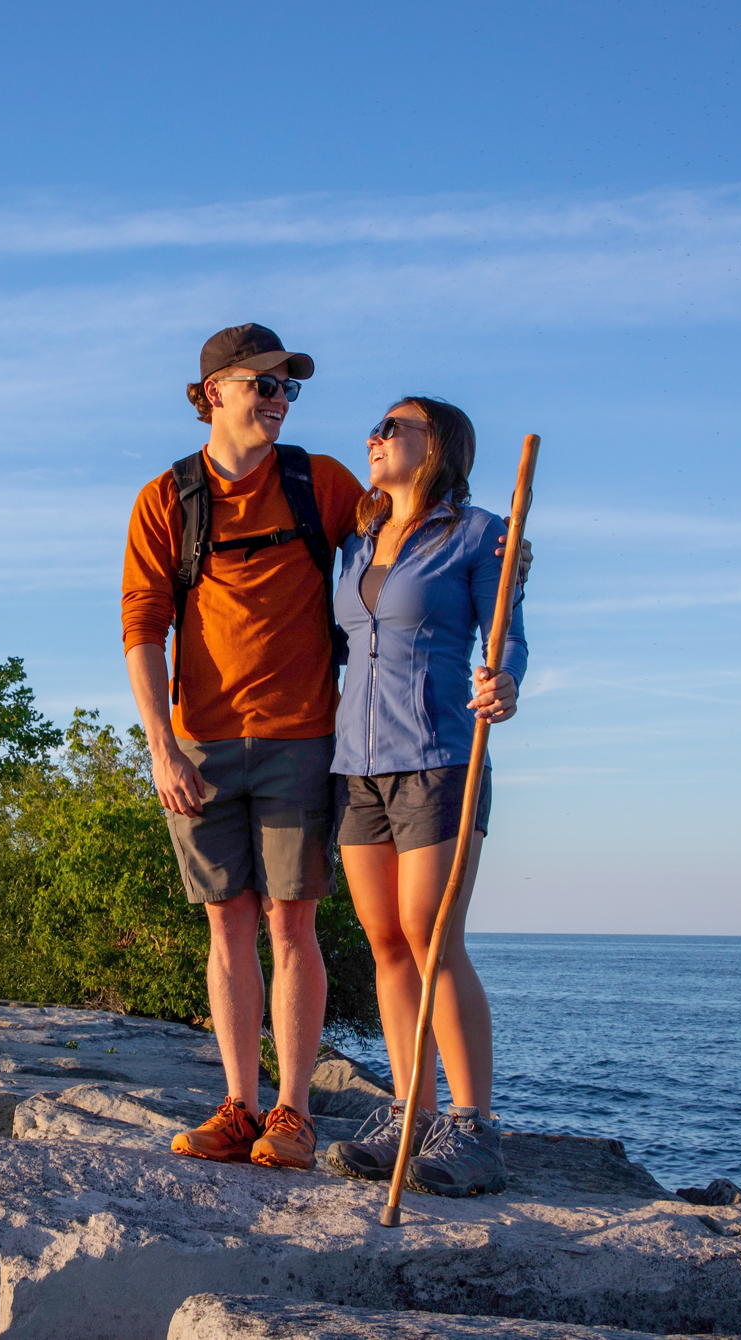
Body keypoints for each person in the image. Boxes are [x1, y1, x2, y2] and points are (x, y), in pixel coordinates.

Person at [121, 329, 522, 1172]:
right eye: (261, 384)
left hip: (319, 740)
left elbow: (458, 561)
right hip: (222, 743)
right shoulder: (169, 499)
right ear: (213, 391)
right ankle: (250, 1104)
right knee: (243, 925)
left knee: (313, 923)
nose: (277, 398)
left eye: (286, 389)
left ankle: (307, 1115)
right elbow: (142, 626)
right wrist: (161, 745)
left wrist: (509, 568)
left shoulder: (325, 484)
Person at [325, 396, 525, 1198]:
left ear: (436, 444)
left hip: (441, 756)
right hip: (356, 767)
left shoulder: (480, 536)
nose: (374, 438)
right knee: (384, 942)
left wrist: (505, 679)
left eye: (392, 428)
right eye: (375, 428)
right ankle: (409, 1110)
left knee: (430, 934)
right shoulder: (357, 544)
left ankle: (474, 1130)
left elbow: (504, 631)